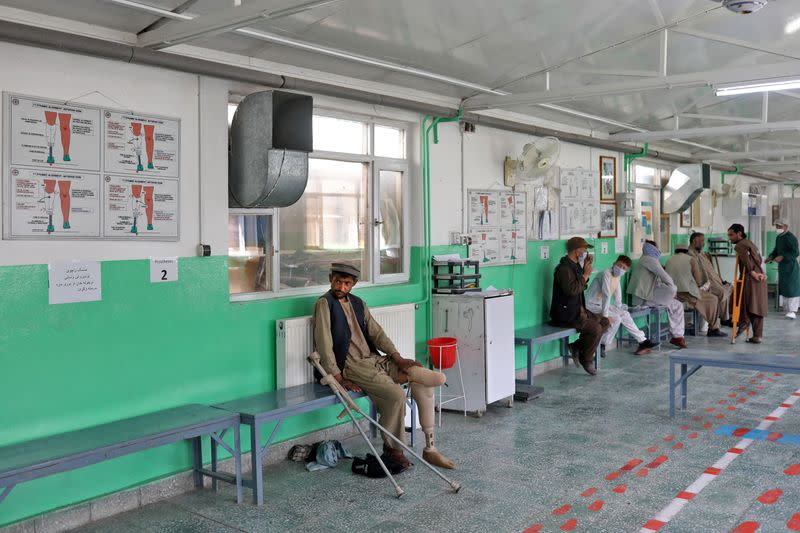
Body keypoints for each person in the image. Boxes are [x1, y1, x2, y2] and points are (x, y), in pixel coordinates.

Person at [312, 262, 455, 469]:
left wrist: (397, 357)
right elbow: (324, 343)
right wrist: (338, 377)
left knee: (419, 376)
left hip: (374, 359)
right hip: (353, 366)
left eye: (346, 283)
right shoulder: (324, 304)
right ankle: (393, 451)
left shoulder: (358, 303)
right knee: (396, 395)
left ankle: (431, 448)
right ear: (330, 278)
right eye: (337, 281)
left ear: (353, 284)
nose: (341, 287)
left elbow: (376, 334)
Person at [549, 237, 610, 376]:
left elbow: (580, 286)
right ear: (576, 251)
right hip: (565, 314)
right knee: (595, 328)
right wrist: (586, 274)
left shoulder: (575, 266)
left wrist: (584, 272)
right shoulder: (563, 269)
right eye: (584, 249)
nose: (585, 252)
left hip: (578, 310)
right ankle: (586, 359)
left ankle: (576, 346)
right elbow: (571, 290)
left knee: (605, 322)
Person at [586, 255, 660, 355]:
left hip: (601, 305)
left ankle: (643, 341)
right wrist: (605, 316)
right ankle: (601, 345)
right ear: (614, 263)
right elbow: (607, 295)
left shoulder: (617, 277)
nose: (621, 269)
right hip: (591, 305)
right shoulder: (605, 274)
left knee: (624, 314)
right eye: (619, 265)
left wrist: (620, 307)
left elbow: (617, 295)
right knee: (616, 318)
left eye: (624, 268)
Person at [627, 240, 687, 349]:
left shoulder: (647, 259)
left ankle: (677, 336)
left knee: (677, 305)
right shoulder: (649, 259)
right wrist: (674, 290)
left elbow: (658, 281)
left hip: (648, 295)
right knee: (672, 288)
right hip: (643, 299)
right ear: (653, 248)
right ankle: (677, 336)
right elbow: (665, 276)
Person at [665, 243, 726, 337]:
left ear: (675, 251)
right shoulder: (691, 260)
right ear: (686, 251)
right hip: (688, 294)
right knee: (713, 299)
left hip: (673, 294)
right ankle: (713, 328)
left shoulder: (669, 260)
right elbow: (699, 281)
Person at [728, 223, 768, 343]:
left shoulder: (740, 244)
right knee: (756, 306)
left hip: (750, 278)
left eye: (731, 235)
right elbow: (759, 259)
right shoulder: (750, 243)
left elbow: (745, 258)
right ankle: (757, 335)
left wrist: (752, 272)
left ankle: (743, 323)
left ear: (739, 234)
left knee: (742, 303)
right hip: (758, 276)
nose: (729, 238)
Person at [689, 232, 733, 325]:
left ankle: (725, 317)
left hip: (715, 280)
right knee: (721, 292)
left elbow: (711, 269)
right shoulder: (691, 255)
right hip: (705, 283)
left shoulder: (701, 254)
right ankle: (724, 318)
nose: (703, 243)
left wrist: (721, 280)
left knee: (729, 287)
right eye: (701, 241)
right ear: (694, 241)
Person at [767, 219, 800, 319]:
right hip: (783, 267)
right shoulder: (779, 237)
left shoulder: (790, 237)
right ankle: (786, 309)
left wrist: (783, 257)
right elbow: (776, 250)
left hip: (791, 267)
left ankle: (793, 310)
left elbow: (795, 252)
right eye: (776, 226)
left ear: (785, 226)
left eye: (779, 226)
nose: (777, 228)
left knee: (792, 288)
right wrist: (771, 256)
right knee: (785, 288)